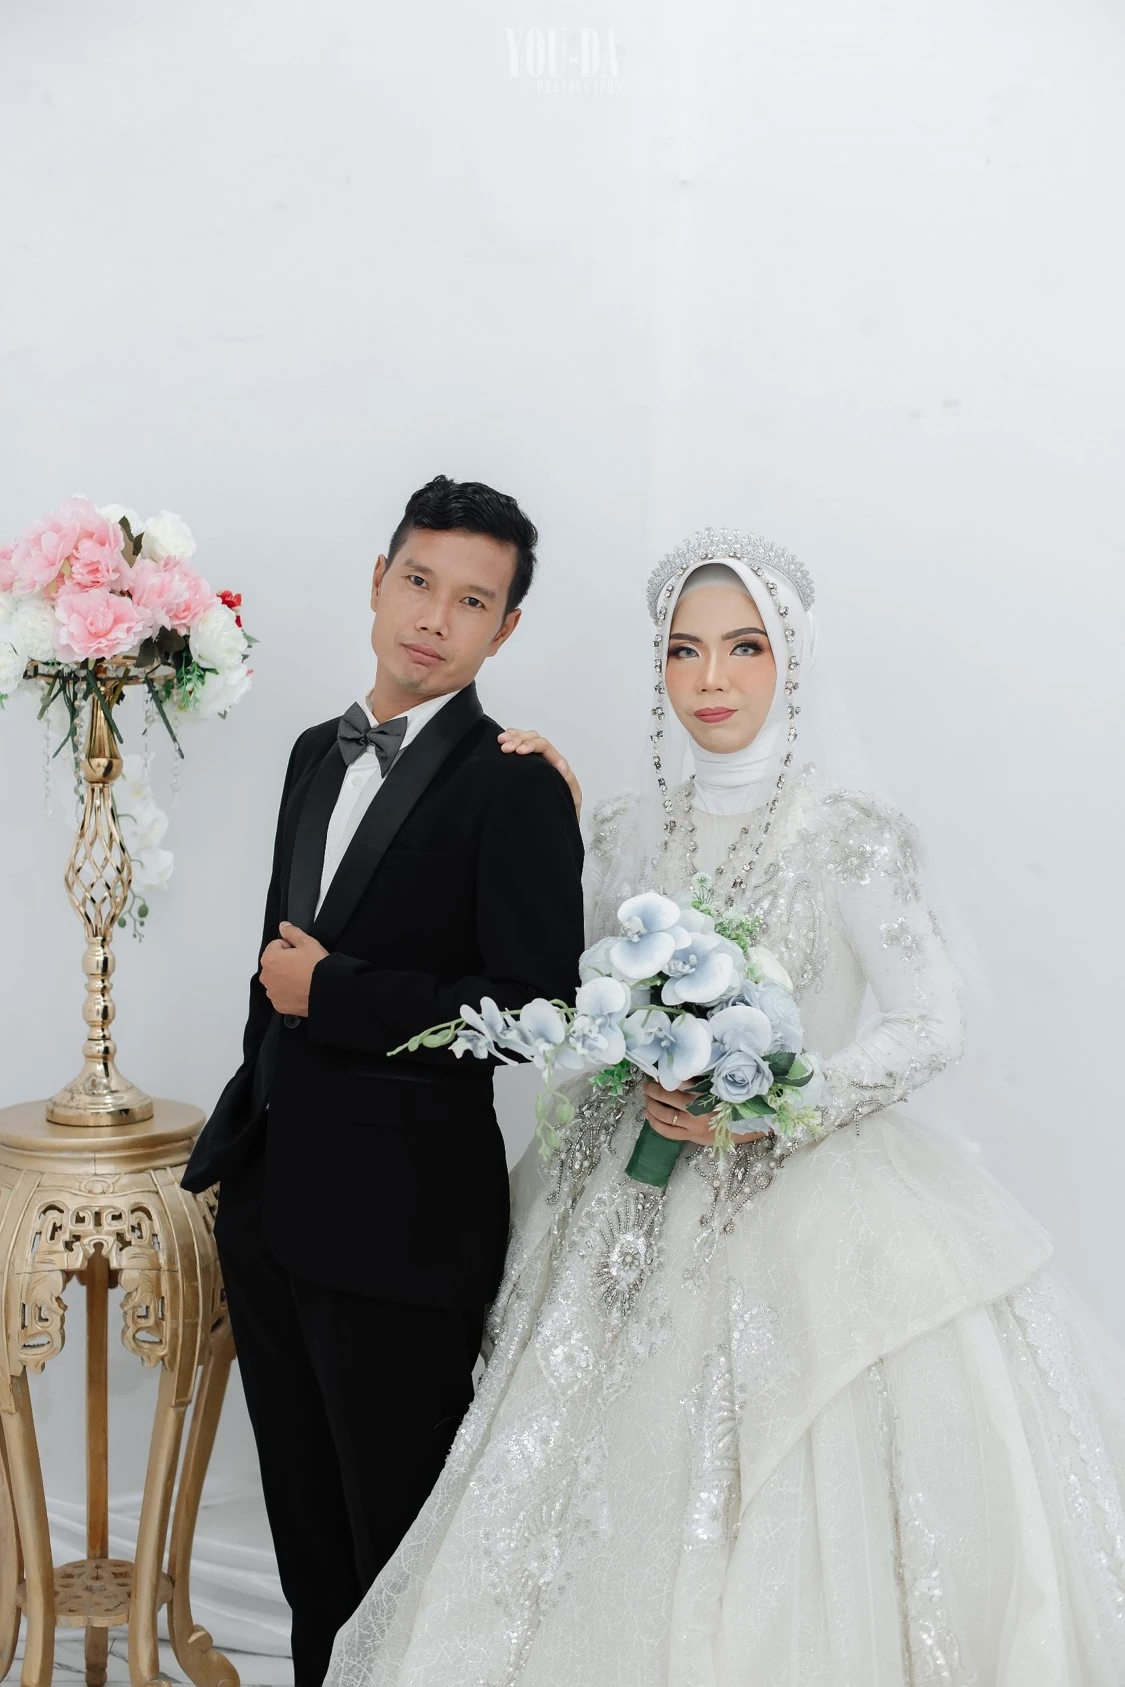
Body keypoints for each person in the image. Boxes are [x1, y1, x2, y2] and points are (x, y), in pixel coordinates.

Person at [324, 529, 1125, 1686]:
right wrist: (550, 828)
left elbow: (929, 1020)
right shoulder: (622, 831)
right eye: (684, 650)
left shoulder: (846, 833)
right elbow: (577, 996)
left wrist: (778, 1105)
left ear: (791, 659)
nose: (710, 678)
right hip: (625, 1191)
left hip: (802, 1194)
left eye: (744, 647)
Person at [181, 475, 585, 1687]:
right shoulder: (315, 753)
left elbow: (539, 1017)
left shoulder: (513, 783)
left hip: (406, 1231)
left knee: (400, 1560)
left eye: (473, 600)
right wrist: (240, 1157)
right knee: (310, 1561)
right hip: (273, 1211)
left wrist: (340, 994)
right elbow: (275, 970)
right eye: (418, 581)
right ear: (378, 580)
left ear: (505, 628)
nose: (433, 617)